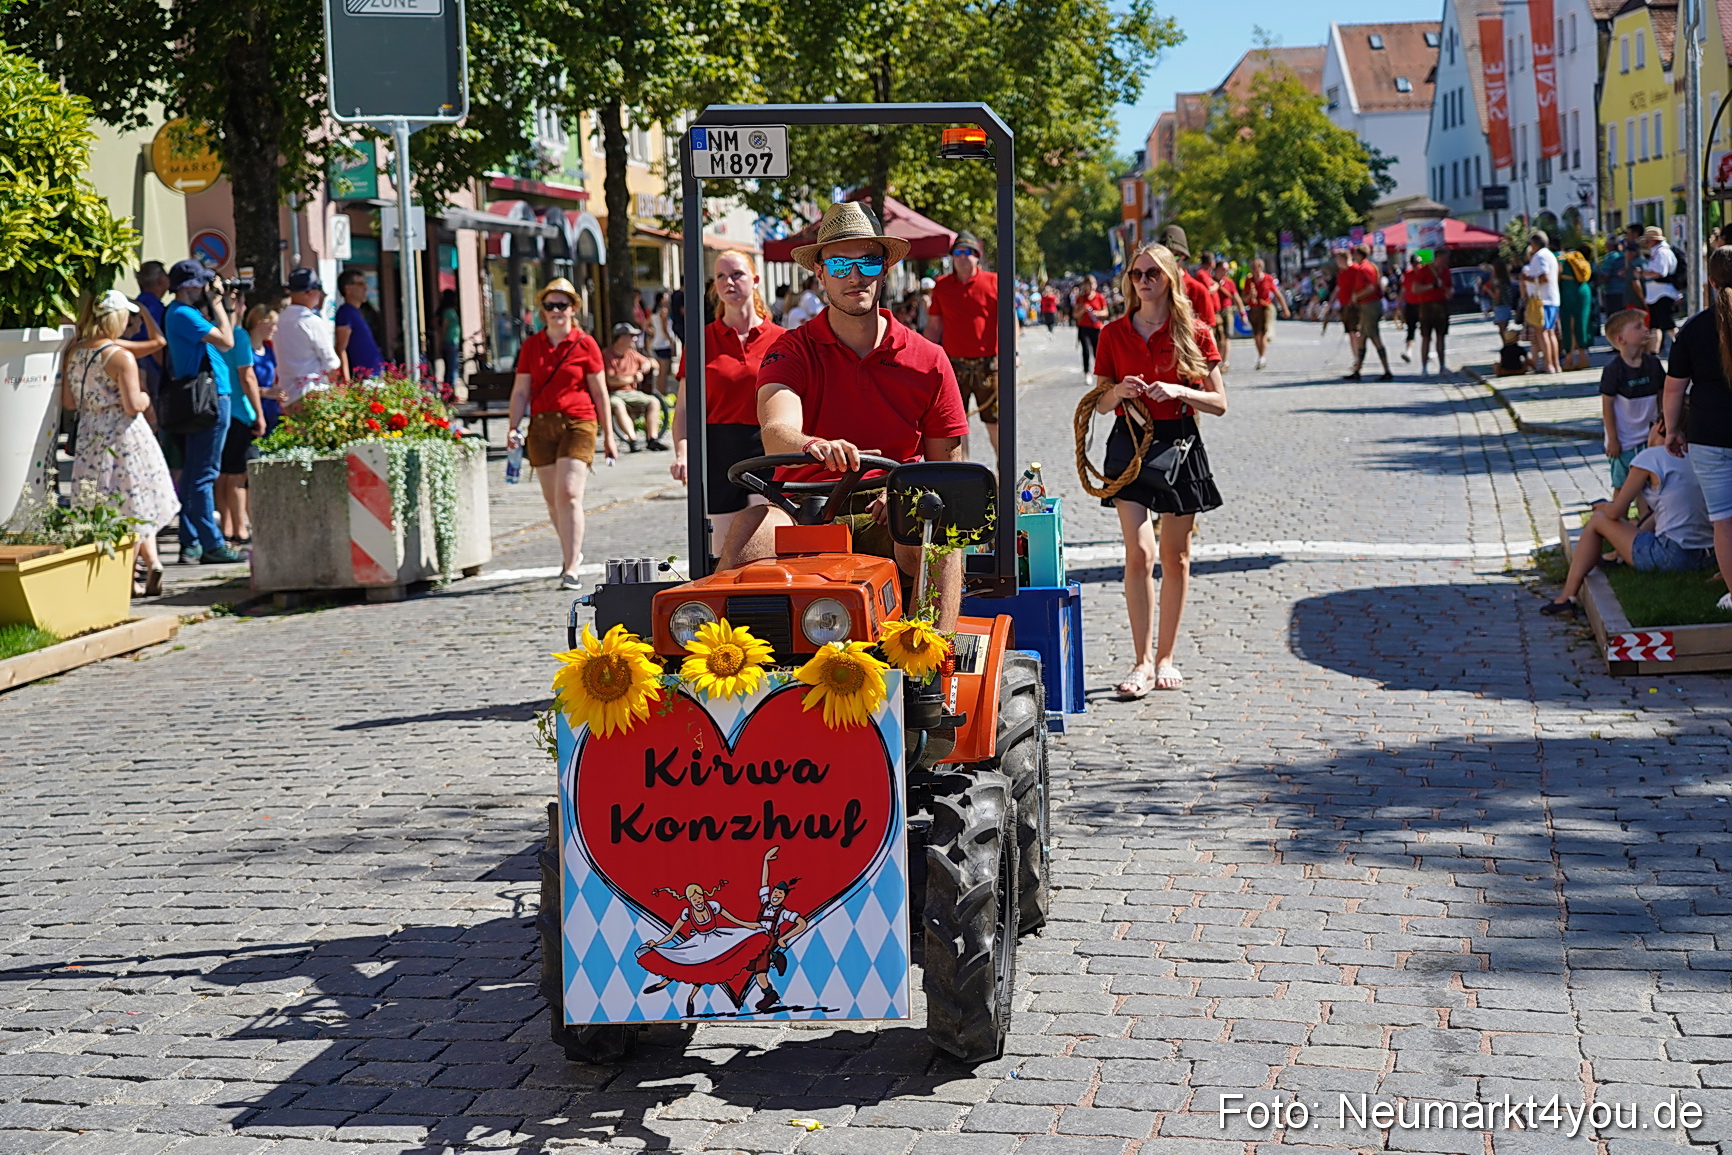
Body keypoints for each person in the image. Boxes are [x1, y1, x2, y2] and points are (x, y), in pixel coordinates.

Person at [724, 200, 969, 629]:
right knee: (750, 528)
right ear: (820, 274)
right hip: (803, 505)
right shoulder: (790, 350)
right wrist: (814, 446)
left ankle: (930, 670)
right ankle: (742, 669)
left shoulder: (928, 359)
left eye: (868, 263)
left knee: (939, 530)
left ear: (885, 269)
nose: (854, 276)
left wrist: (905, 494)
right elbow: (777, 430)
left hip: (890, 505)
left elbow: (948, 469)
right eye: (839, 264)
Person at [1089, 241, 1227, 698]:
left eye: (1151, 273)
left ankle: (1166, 656)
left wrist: (1180, 391)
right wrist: (1121, 392)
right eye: (1136, 274)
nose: (1142, 281)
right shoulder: (1113, 334)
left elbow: (1220, 403)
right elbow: (1099, 403)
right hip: (1129, 444)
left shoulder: (1195, 331)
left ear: (1170, 278)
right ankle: (1141, 661)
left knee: (1176, 556)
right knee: (1139, 553)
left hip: (1180, 445)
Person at [62, 290, 178, 596]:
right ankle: (150, 563)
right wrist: (144, 397)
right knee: (137, 499)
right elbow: (131, 404)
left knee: (108, 504)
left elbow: (68, 402)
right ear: (118, 317)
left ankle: (130, 576)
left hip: (90, 434)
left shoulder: (74, 352)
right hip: (123, 434)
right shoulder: (121, 356)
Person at [506, 278, 617, 589]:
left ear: (574, 309)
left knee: (568, 494)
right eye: (550, 305)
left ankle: (571, 567)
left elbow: (600, 392)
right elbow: (520, 391)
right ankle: (572, 553)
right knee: (553, 500)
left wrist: (609, 436)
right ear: (542, 310)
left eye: (562, 305)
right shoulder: (532, 345)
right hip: (541, 424)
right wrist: (513, 427)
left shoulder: (586, 344)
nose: (557, 311)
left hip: (579, 422)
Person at [1542, 415, 1714, 615]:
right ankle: (1616, 557)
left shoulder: (1650, 458)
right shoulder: (1702, 455)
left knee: (1599, 520)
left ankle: (1566, 597)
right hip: (1708, 555)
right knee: (1645, 520)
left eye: (1651, 425)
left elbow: (1615, 512)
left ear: (1660, 426)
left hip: (1672, 556)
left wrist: (1602, 507)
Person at [672, 250, 784, 551]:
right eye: (721, 276)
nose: (729, 282)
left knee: (768, 548)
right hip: (717, 449)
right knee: (724, 553)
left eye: (737, 274)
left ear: (755, 280)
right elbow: (683, 408)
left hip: (769, 447)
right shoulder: (701, 340)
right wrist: (682, 453)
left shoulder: (783, 338)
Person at [1662, 245, 1732, 612]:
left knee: (1723, 521)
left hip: (1710, 433)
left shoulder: (1693, 329)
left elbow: (1674, 388)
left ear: (1710, 281)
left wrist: (1672, 429)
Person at [162, 260, 241, 565]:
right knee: (203, 474)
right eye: (202, 284)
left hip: (203, 397)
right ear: (189, 286)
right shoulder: (182, 313)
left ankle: (191, 541)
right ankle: (211, 543)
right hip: (211, 397)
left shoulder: (183, 313)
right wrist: (220, 304)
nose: (206, 289)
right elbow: (227, 340)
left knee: (196, 473)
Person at [925, 229, 1002, 452]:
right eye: (957, 252)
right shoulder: (942, 286)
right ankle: (964, 473)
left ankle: (1002, 473)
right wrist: (927, 359)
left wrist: (1012, 354)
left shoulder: (994, 281)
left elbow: (1009, 321)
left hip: (989, 364)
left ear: (977, 256)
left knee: (994, 421)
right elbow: (933, 326)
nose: (962, 256)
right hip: (953, 364)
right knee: (956, 424)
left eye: (968, 251)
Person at [215, 313, 268, 545]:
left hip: (218, 408)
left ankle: (226, 530)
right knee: (238, 476)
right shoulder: (238, 335)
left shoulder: (211, 332)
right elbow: (247, 376)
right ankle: (241, 530)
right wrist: (259, 414)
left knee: (223, 475)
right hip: (239, 410)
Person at [1599, 308, 1663, 490]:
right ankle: (1617, 517)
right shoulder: (1613, 370)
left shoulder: (1653, 364)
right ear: (1620, 339)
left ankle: (1643, 518)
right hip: (1624, 441)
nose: (1645, 330)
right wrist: (1612, 439)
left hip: (1649, 437)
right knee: (1622, 486)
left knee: (1648, 486)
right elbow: (1607, 405)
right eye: (1638, 327)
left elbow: (1661, 393)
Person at [274, 267, 340, 404]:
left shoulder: (279, 319)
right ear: (309, 292)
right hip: (312, 393)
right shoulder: (311, 321)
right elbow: (331, 362)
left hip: (286, 394)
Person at [602, 322, 665, 452]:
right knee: (618, 405)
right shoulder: (607, 355)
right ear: (620, 338)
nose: (635, 339)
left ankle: (652, 439)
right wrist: (632, 379)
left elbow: (655, 363)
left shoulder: (632, 353)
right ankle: (632, 440)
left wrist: (647, 363)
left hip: (632, 393)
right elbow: (611, 380)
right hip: (614, 394)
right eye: (631, 336)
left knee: (654, 401)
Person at [1339, 244, 1391, 381]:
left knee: (1374, 337)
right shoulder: (1372, 266)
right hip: (1369, 305)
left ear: (1359, 255)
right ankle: (1357, 370)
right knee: (1362, 337)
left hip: (1369, 305)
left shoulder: (1364, 269)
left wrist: (1356, 296)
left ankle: (1387, 370)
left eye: (1355, 254)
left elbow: (1370, 288)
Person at [1520, 231, 1561, 374]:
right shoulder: (1550, 255)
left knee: (1542, 332)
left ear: (1535, 244)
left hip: (1542, 299)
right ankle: (1555, 364)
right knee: (1550, 333)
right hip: (1553, 298)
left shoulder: (1539, 256)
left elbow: (1545, 277)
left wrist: (1528, 278)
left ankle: (1548, 365)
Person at [333, 269, 383, 382]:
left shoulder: (357, 312)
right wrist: (346, 380)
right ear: (348, 288)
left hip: (374, 376)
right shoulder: (345, 312)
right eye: (360, 284)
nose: (365, 288)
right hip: (364, 379)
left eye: (365, 284)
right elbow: (341, 348)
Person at [1640, 225, 1683, 356]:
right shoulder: (1656, 252)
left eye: (1649, 239)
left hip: (1664, 294)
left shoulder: (1662, 252)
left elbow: (1660, 273)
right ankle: (1653, 352)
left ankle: (1683, 348)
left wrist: (1643, 274)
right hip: (1656, 294)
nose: (1647, 243)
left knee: (1669, 325)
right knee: (1655, 326)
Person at [131, 261, 170, 402]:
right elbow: (155, 343)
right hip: (150, 368)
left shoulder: (138, 303)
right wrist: (164, 369)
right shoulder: (154, 308)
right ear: (160, 280)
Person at [1409, 253, 1451, 375]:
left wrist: (1449, 292)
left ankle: (1442, 366)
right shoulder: (1424, 270)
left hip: (1442, 305)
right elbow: (1415, 289)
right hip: (1427, 306)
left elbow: (1449, 287)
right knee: (1426, 337)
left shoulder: (1446, 271)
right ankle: (1424, 367)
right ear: (1437, 258)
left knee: (1441, 336)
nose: (1445, 261)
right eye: (1443, 259)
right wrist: (1432, 286)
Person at [1243, 257, 1288, 370]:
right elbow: (1244, 298)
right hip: (1254, 308)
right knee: (1256, 334)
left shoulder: (1268, 278)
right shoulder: (1249, 280)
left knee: (1263, 332)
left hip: (1265, 307)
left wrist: (1285, 308)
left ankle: (1262, 357)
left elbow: (1277, 294)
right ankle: (1260, 355)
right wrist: (1250, 295)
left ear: (1260, 267)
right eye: (1252, 267)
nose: (1253, 270)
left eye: (1255, 267)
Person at [1558, 245, 1595, 371]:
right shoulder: (1579, 260)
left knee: (1569, 325)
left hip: (1570, 292)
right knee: (1582, 324)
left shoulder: (1561, 261)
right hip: (1584, 290)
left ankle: (1569, 360)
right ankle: (1583, 358)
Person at [246, 305, 281, 434]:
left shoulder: (269, 351)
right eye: (273, 325)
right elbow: (242, 383)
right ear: (260, 323)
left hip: (271, 411)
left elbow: (271, 382)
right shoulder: (245, 351)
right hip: (252, 413)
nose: (275, 329)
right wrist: (265, 392)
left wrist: (277, 392)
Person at [1072, 273, 1107, 377]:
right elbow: (1075, 314)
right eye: (1089, 283)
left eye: (1093, 283)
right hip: (1084, 327)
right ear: (1085, 285)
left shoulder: (1100, 297)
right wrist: (1083, 310)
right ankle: (1087, 371)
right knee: (1086, 349)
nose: (1092, 286)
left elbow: (1106, 312)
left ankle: (1101, 371)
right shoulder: (1081, 298)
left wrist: (1097, 313)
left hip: (1096, 327)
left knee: (1098, 350)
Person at [650, 290, 677, 396]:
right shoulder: (664, 311)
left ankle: (659, 392)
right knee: (663, 372)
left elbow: (646, 324)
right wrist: (672, 342)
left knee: (661, 371)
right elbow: (664, 328)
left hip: (656, 342)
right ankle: (662, 393)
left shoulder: (654, 312)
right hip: (663, 344)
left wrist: (652, 332)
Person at [1399, 254, 1424, 363]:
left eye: (1418, 263)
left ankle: (1427, 352)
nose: (1417, 266)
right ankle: (1408, 352)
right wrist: (1400, 304)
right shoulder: (1408, 274)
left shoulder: (1424, 273)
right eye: (1414, 263)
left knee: (1426, 330)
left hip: (1423, 305)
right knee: (1411, 330)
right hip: (1411, 305)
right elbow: (1403, 290)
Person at [437, 288, 463, 390]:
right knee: (452, 368)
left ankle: (449, 390)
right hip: (449, 341)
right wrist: (441, 341)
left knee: (451, 367)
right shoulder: (448, 311)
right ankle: (449, 390)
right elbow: (444, 327)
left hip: (453, 341)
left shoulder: (451, 310)